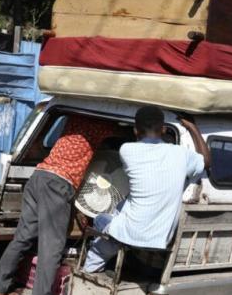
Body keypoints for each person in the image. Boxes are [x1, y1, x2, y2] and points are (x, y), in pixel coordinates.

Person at [0, 115, 116, 295]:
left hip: (39, 175)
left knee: (23, 237)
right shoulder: (103, 124)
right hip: (59, 183)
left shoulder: (72, 120)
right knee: (52, 246)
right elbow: (123, 140)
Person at [83, 106, 210, 273]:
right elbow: (206, 161)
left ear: (135, 130)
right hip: (161, 238)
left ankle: (89, 270)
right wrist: (192, 128)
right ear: (164, 129)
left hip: (130, 233)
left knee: (100, 220)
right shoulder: (182, 154)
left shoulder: (126, 150)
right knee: (120, 207)